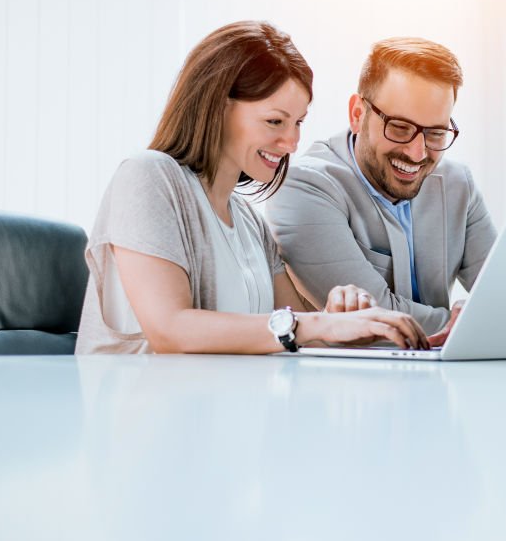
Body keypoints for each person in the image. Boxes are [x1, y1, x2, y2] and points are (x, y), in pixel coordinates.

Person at [75, 21, 429, 355]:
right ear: (216, 107)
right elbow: (170, 329)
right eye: (275, 121)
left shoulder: (249, 222)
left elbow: (296, 335)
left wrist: (342, 320)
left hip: (222, 411)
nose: (291, 142)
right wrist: (315, 324)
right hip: (140, 412)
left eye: (298, 123)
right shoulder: (148, 176)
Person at [266, 37, 497, 340]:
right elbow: (376, 322)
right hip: (350, 383)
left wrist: (490, 315)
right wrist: (480, 322)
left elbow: (505, 296)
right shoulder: (300, 188)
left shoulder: (457, 184)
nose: (417, 153)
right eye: (400, 128)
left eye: (436, 133)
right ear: (357, 115)